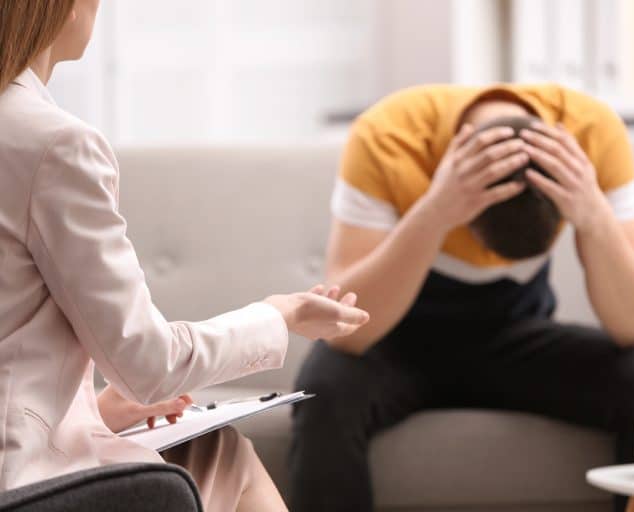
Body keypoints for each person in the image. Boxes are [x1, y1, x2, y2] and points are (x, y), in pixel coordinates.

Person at [0, 2, 369, 511]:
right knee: (226, 454)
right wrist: (283, 314)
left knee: (208, 451)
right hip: (20, 486)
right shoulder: (54, 144)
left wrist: (93, 412)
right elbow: (149, 362)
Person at [290, 84, 634, 512]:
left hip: (517, 339)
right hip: (396, 343)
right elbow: (346, 332)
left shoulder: (592, 134)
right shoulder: (388, 135)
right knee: (326, 386)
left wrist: (592, 213)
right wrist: (436, 211)